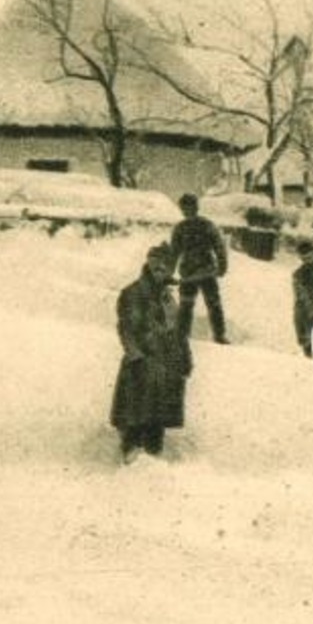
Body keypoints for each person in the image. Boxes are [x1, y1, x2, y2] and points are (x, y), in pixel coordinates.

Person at [110, 244, 193, 463]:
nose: (161, 269)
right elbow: (126, 327)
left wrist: (185, 357)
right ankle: (131, 455)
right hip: (143, 364)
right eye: (156, 264)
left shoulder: (167, 296)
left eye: (166, 266)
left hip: (167, 364)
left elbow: (178, 330)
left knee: (158, 418)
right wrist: (135, 354)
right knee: (136, 415)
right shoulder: (133, 293)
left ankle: (154, 457)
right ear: (149, 264)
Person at [169, 193, 230, 344]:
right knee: (186, 305)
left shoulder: (207, 225)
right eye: (184, 208)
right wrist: (168, 272)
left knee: (213, 304)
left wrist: (222, 265)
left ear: (196, 208)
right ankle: (182, 336)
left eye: (189, 207)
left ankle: (219, 335)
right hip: (189, 273)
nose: (187, 210)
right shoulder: (180, 229)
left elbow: (219, 246)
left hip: (206, 272)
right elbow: (174, 252)